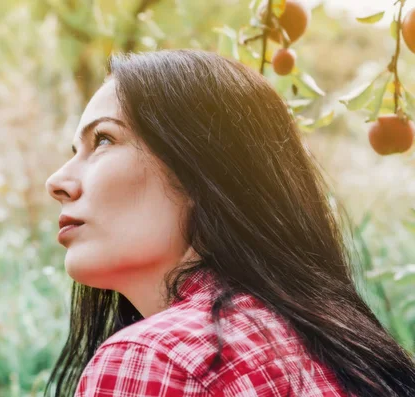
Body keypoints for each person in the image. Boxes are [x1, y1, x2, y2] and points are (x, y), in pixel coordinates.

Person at [43, 49, 415, 397]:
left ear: (199, 170)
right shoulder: (339, 353)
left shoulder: (158, 361)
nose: (57, 182)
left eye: (104, 139)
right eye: (75, 152)